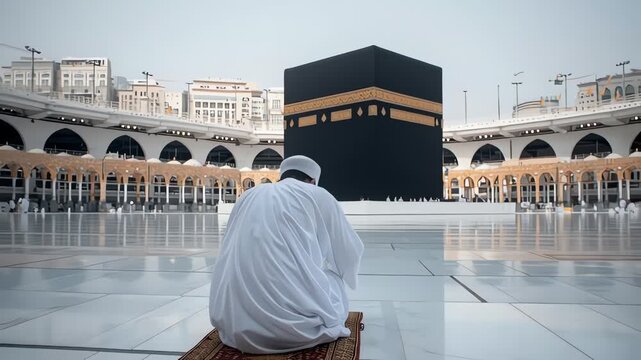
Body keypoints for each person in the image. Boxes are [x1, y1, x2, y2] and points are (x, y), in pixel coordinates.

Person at [209, 155, 364, 354]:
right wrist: (344, 275)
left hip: (233, 325)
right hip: (293, 330)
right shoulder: (317, 194)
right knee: (334, 280)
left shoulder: (248, 195)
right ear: (313, 180)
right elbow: (349, 252)